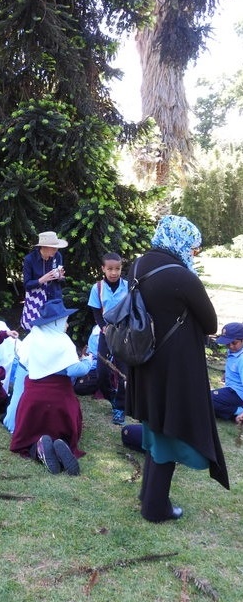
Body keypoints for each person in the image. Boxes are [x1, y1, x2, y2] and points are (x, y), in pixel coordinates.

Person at [125, 214, 229, 523]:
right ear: (180, 241)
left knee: (155, 428)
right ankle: (156, 508)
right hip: (173, 369)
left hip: (145, 361)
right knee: (168, 433)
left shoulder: (140, 264)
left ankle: (149, 495)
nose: (193, 254)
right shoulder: (182, 277)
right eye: (193, 248)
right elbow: (210, 323)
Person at [10, 298, 93, 475]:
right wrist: (88, 362)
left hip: (33, 400)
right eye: (64, 320)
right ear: (56, 321)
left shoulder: (32, 337)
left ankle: (37, 447)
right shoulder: (63, 341)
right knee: (67, 422)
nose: (67, 324)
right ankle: (61, 443)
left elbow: (23, 361)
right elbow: (74, 370)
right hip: (60, 400)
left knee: (28, 436)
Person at [87, 252, 129, 424]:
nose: (114, 272)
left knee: (123, 372)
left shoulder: (127, 286)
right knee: (102, 371)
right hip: (106, 334)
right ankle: (112, 398)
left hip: (123, 335)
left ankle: (120, 407)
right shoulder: (97, 288)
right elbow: (96, 311)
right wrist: (103, 327)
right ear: (103, 269)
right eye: (110, 269)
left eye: (117, 269)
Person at [21, 231, 67, 330]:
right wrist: (41, 280)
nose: (56, 249)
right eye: (53, 247)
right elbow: (26, 284)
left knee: (56, 328)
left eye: (57, 247)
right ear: (44, 247)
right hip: (36, 302)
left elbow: (62, 280)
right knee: (37, 329)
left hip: (54, 298)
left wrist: (60, 277)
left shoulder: (58, 256)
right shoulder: (29, 260)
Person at [211, 322, 243, 420]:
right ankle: (234, 416)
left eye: (234, 343)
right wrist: (227, 374)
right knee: (209, 407)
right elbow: (234, 367)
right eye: (227, 343)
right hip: (231, 390)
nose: (230, 346)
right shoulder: (234, 352)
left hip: (238, 394)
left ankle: (239, 411)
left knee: (208, 399)